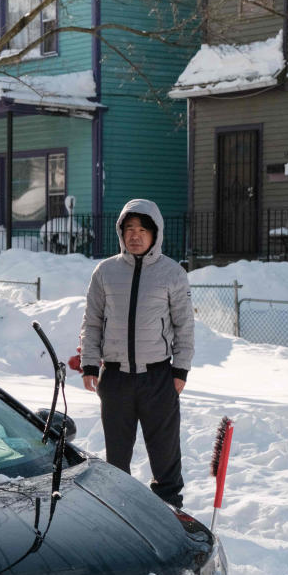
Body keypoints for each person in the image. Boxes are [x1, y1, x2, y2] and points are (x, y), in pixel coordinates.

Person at [79, 199, 193, 507]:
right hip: (115, 378)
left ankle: (171, 508)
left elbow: (184, 326)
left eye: (143, 229)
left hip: (158, 376)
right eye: (129, 228)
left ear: (155, 233)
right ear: (121, 232)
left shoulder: (172, 273)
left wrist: (180, 370)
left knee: (165, 451)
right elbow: (91, 322)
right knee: (117, 455)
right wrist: (90, 364)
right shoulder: (105, 272)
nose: (135, 235)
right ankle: (122, 512)